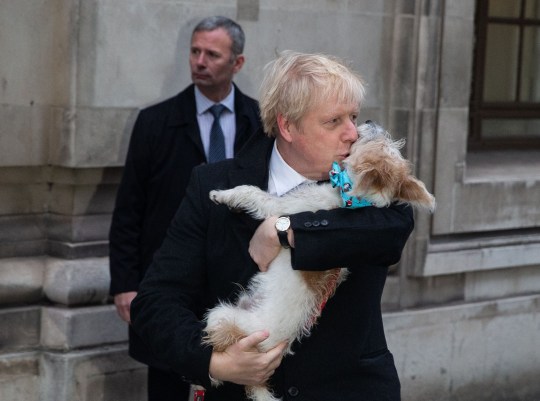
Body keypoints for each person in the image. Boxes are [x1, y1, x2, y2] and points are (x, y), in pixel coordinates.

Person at [130, 51, 415, 400]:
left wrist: (285, 228)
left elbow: (392, 232)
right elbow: (155, 302)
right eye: (333, 121)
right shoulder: (212, 184)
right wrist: (215, 363)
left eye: (354, 117)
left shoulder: (369, 183)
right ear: (287, 126)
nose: (353, 133)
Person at [108, 16, 262, 401]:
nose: (199, 61)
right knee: (166, 381)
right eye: (195, 51)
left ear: (237, 63)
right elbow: (129, 209)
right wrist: (126, 284)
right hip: (169, 282)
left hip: (237, 287)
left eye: (212, 54)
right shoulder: (155, 122)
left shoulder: (260, 123)